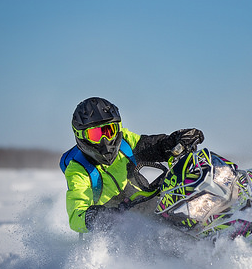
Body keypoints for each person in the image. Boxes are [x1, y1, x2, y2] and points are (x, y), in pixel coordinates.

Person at [60, 97, 204, 233]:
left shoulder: (126, 142)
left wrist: (177, 141)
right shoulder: (78, 169)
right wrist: (95, 216)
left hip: (155, 205)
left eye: (109, 131)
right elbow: (76, 216)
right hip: (121, 227)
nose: (105, 141)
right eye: (96, 135)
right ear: (80, 136)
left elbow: (154, 146)